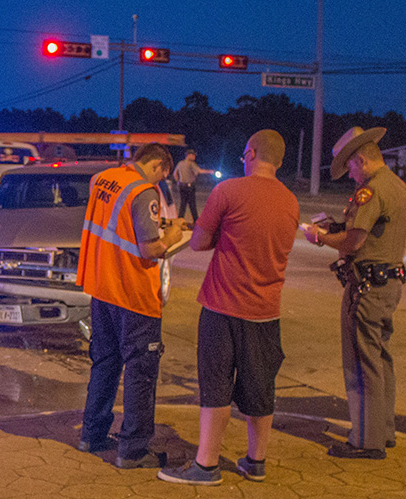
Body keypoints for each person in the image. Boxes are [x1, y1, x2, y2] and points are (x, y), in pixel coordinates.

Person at [158, 129, 299, 485]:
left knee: (216, 384)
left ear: (250, 154)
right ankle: (256, 462)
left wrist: (224, 234)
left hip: (223, 306)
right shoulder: (291, 201)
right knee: (261, 386)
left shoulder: (229, 191)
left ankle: (206, 465)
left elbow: (199, 242)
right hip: (267, 310)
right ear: (280, 161)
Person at [77, 142, 186, 469]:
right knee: (141, 371)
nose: (161, 183)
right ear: (157, 166)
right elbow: (150, 249)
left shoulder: (104, 179)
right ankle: (133, 450)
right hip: (133, 293)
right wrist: (174, 234)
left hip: (102, 286)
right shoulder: (144, 191)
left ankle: (91, 435)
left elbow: (117, 225)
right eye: (162, 176)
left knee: (105, 363)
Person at [302, 126, 406, 460]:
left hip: (367, 287)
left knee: (362, 364)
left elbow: (354, 242)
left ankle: (365, 441)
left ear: (360, 159)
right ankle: (383, 430)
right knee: (380, 359)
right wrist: (337, 227)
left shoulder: (371, 191)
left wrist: (319, 236)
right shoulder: (397, 185)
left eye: (351, 168)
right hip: (389, 283)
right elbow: (371, 230)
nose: (350, 175)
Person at [172, 148, 215, 224]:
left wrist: (178, 182)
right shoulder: (191, 164)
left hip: (181, 185)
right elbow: (199, 171)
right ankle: (196, 221)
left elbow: (175, 174)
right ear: (189, 155)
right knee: (192, 204)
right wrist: (210, 171)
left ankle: (179, 221)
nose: (194, 157)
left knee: (183, 204)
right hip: (189, 186)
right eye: (193, 155)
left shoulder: (180, 163)